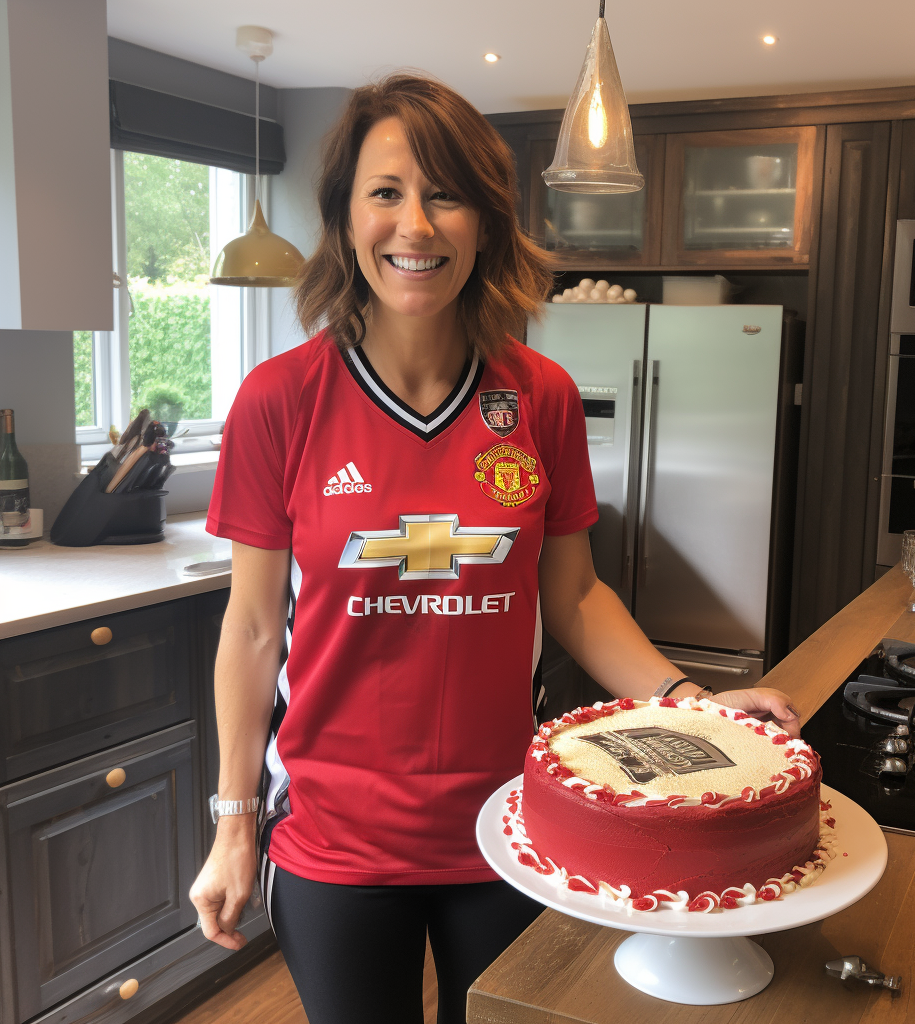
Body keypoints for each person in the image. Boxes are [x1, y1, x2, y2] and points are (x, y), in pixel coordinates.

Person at [189, 73, 802, 1024]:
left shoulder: (540, 395)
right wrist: (233, 827)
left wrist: (691, 702)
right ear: (346, 217)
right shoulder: (280, 401)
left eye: (446, 194)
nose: (416, 226)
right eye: (386, 193)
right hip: (333, 842)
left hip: (507, 829)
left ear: (485, 218)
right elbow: (255, 627)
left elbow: (577, 598)